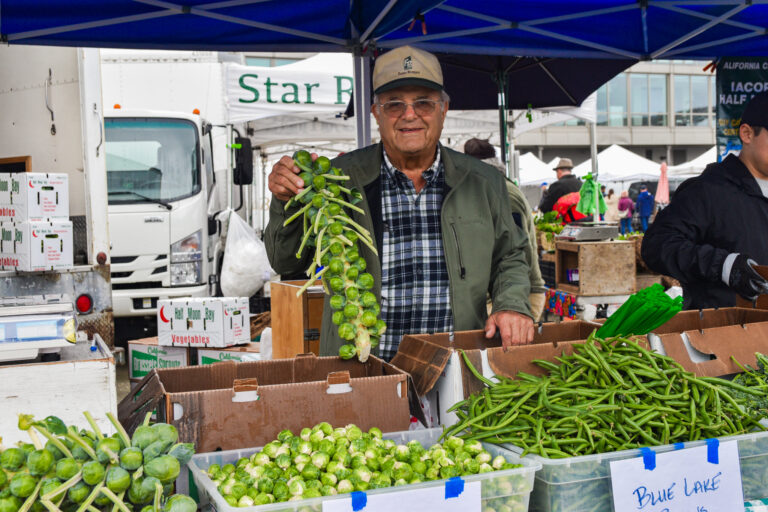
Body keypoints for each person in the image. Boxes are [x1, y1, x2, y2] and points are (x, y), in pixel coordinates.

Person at [265, 46, 534, 361]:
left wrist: (511, 304)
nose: (410, 114)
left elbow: (511, 257)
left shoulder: (484, 182)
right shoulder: (338, 180)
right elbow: (285, 262)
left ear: (443, 109)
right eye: (394, 104)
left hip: (457, 370)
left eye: (423, 102)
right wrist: (287, 201)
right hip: (365, 371)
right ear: (375, 112)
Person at [642, 91, 768, 309]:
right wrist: (723, 265)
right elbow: (657, 245)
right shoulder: (706, 191)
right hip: (725, 333)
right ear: (747, 134)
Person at [463, 138, 547, 321]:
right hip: (500, 295)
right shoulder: (489, 190)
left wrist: (511, 301)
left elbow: (515, 250)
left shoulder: (504, 194)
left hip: (514, 297)